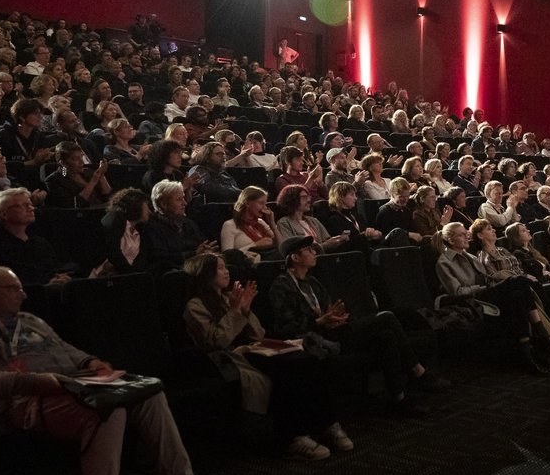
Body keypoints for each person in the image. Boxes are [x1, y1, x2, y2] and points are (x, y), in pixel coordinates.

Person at [0, 267, 213, 475]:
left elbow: (64, 349)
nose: (24, 294)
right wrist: (31, 382)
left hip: (75, 386)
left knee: (150, 393)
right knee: (107, 409)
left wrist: (91, 362)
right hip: (25, 401)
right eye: (13, 289)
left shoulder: (30, 321)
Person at [182, 253, 346, 460]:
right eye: (221, 268)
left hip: (254, 348)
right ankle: (293, 437)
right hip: (230, 358)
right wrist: (235, 311)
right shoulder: (195, 306)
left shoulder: (228, 297)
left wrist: (245, 309)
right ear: (205, 274)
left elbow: (258, 333)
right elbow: (216, 342)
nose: (227, 271)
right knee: (289, 368)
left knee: (307, 360)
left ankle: (326, 423)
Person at [268, 235, 447, 413]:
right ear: (295, 257)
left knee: (387, 336)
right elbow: (286, 327)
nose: (314, 252)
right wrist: (319, 321)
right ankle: (418, 371)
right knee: (386, 317)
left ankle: (398, 398)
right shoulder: (282, 286)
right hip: (315, 339)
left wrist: (337, 317)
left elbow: (328, 311)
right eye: (308, 250)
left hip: (335, 330)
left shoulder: (312, 282)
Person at [433, 221, 550, 373]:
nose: (467, 237)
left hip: (486, 292)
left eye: (466, 233)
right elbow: (457, 292)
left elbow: (487, 278)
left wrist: (494, 282)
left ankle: (527, 352)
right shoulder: (444, 263)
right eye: (462, 235)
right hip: (474, 299)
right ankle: (542, 336)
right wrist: (484, 287)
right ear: (451, 240)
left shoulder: (470, 256)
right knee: (519, 281)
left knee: (518, 293)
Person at [0, 188, 70, 285]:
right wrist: (46, 285)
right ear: (4, 214)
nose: (31, 208)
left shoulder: (41, 243)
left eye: (30, 204)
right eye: (24, 205)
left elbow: (53, 270)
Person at [146, 180, 217, 274]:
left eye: (183, 198)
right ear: (163, 204)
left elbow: (202, 243)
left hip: (197, 265)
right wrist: (194, 254)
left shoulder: (188, 223)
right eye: (179, 199)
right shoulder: (152, 227)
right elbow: (161, 259)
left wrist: (208, 249)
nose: (185, 203)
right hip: (175, 271)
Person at [274, 184, 350, 254]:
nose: (309, 200)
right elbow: (292, 251)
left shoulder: (313, 221)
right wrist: (324, 246)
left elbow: (327, 240)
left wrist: (338, 240)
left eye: (308, 196)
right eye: (304, 197)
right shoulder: (284, 223)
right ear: (292, 200)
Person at [44, 141, 112, 208]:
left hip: (102, 209)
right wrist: (93, 182)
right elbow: (74, 205)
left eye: (81, 157)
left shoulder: (87, 171)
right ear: (63, 163)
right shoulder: (54, 181)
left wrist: (101, 175)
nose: (81, 162)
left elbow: (108, 196)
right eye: (76, 158)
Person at [220, 186, 278, 258]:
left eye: (265, 204)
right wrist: (255, 245)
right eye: (261, 203)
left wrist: (272, 224)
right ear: (247, 203)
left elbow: (282, 247)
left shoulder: (261, 222)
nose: (265, 207)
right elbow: (227, 257)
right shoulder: (230, 225)